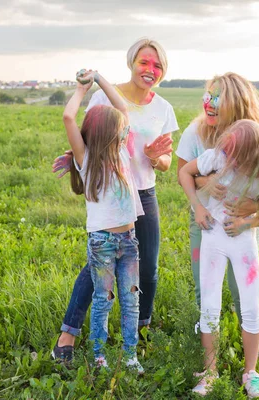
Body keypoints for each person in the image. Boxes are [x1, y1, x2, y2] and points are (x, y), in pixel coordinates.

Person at [52, 38, 179, 362]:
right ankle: (69, 332)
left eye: (157, 65)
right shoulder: (102, 98)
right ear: (131, 62)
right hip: (108, 195)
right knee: (96, 268)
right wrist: (76, 157)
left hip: (143, 194)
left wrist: (155, 157)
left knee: (147, 267)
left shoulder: (163, 108)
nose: (150, 70)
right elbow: (87, 135)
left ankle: (139, 329)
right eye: (144, 62)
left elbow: (166, 160)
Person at [178, 119, 259, 398]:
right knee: (209, 307)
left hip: (243, 245)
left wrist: (248, 223)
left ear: (252, 155)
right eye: (226, 154)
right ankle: (209, 372)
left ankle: (251, 373)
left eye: (235, 157)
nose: (228, 161)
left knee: (251, 307)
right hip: (212, 240)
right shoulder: (217, 156)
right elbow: (184, 172)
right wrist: (198, 207)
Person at [62, 68, 144, 372]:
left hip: (128, 241)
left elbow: (122, 107)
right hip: (103, 243)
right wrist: (83, 89)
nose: (126, 129)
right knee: (103, 300)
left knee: (131, 300)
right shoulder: (87, 160)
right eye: (120, 128)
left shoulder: (121, 153)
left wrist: (99, 79)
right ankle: (99, 356)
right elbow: (69, 119)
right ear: (110, 133)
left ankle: (130, 356)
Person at [175, 72, 259, 320]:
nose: (209, 103)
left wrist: (253, 206)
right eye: (208, 96)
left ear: (237, 104)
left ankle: (253, 334)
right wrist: (205, 182)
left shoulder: (254, 136)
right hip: (204, 219)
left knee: (243, 286)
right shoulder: (194, 133)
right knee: (204, 286)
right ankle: (205, 341)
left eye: (218, 99)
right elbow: (182, 173)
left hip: (241, 222)